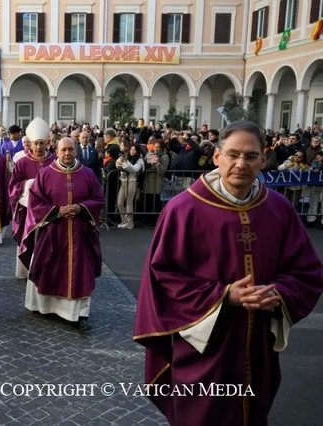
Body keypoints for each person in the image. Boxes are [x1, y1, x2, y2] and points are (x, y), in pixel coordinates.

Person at [133, 121, 323, 426]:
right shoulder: (183, 210)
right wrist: (224, 295)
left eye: (251, 156)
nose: (241, 164)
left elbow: (306, 271)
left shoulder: (279, 209)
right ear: (217, 156)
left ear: (263, 160)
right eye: (233, 154)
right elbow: (163, 277)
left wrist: (277, 293)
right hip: (204, 347)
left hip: (257, 344)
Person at [19, 137, 105, 330]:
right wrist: (57, 211)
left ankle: (76, 313)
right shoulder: (45, 174)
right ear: (56, 152)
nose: (67, 153)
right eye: (63, 150)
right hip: (53, 231)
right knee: (48, 268)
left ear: (76, 151)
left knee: (80, 272)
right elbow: (35, 202)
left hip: (80, 234)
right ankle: (46, 307)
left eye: (70, 150)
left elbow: (99, 198)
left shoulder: (87, 174)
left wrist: (81, 207)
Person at [8, 118, 54, 278]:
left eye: (42, 143)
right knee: (27, 238)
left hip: (49, 210)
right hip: (27, 210)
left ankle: (45, 270)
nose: (39, 147)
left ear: (47, 143)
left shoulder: (54, 161)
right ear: (30, 144)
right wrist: (29, 184)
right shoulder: (22, 163)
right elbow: (13, 186)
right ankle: (25, 271)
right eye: (36, 143)